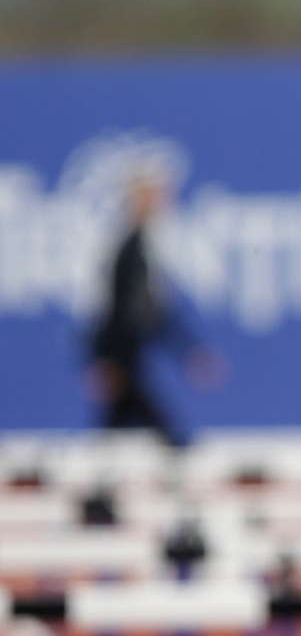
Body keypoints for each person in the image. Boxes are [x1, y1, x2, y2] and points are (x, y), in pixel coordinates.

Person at [85, 171, 218, 444]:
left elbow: (153, 312)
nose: (158, 202)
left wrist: (188, 351)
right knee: (151, 423)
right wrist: (106, 359)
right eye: (149, 196)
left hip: (129, 354)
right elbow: (114, 308)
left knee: (121, 422)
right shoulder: (128, 249)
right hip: (123, 354)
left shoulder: (142, 245)